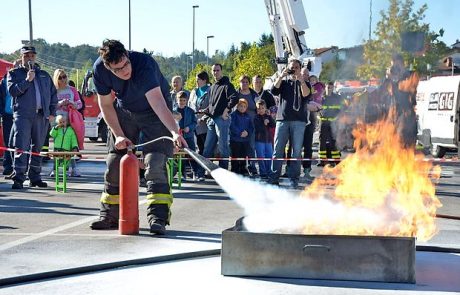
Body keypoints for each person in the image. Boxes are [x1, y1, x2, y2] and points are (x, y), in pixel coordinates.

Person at [89, 39, 186, 235]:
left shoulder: (144, 64)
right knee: (115, 161)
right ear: (108, 68)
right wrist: (118, 135)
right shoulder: (99, 70)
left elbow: (158, 103)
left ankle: (157, 218)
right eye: (118, 69)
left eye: (126, 64)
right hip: (124, 111)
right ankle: (109, 215)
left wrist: (175, 131)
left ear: (127, 54)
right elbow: (106, 105)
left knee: (155, 162)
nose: (125, 70)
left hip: (154, 113)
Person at [7, 45, 57, 189]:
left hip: (41, 116)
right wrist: (27, 80)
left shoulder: (44, 75)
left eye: (32, 56)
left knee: (38, 148)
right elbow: (13, 92)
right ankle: (18, 178)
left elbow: (53, 94)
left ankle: (35, 177)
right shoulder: (14, 73)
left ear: (35, 57)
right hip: (23, 115)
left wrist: (52, 112)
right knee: (21, 147)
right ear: (21, 57)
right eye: (26, 56)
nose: (30, 58)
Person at [267, 59, 311, 189]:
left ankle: (294, 179)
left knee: (296, 151)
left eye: (296, 67)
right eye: (292, 67)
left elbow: (306, 95)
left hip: (299, 121)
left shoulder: (305, 82)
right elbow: (273, 90)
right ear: (288, 68)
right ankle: (274, 178)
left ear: (300, 69)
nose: (294, 70)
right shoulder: (284, 82)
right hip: (282, 120)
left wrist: (300, 79)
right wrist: (281, 76)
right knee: (278, 150)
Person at [202, 63, 238, 170]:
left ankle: (224, 171)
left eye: (217, 70)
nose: (215, 72)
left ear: (221, 71)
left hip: (222, 120)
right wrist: (204, 112)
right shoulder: (212, 87)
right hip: (211, 120)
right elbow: (212, 105)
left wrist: (227, 110)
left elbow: (235, 98)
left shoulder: (227, 85)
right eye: (213, 70)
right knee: (207, 148)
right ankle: (205, 171)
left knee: (223, 147)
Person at [52, 69, 83, 176]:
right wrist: (59, 103)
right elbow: (50, 105)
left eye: (64, 76)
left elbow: (80, 104)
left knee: (72, 145)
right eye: (60, 77)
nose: (63, 79)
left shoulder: (72, 90)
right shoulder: (53, 90)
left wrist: (73, 104)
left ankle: (73, 168)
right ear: (56, 79)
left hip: (71, 121)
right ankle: (55, 169)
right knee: (58, 146)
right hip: (58, 122)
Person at [0, 59, 20, 177]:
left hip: (20, 114)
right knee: (8, 141)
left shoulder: (23, 79)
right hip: (7, 114)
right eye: (14, 66)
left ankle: (16, 167)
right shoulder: (3, 81)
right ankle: (8, 167)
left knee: (17, 142)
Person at [187, 71, 210, 166]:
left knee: (206, 148)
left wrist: (203, 118)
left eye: (198, 80)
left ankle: (207, 168)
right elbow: (190, 106)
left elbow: (212, 107)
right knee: (198, 147)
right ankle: (199, 169)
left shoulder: (210, 90)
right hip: (195, 124)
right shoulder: (194, 91)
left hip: (206, 123)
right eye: (196, 80)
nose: (196, 81)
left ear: (204, 80)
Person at [173, 90, 197, 181]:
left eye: (184, 100)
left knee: (192, 154)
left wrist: (189, 128)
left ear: (186, 101)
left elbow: (195, 123)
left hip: (189, 136)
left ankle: (195, 172)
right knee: (180, 156)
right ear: (177, 100)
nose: (182, 102)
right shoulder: (173, 111)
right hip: (178, 136)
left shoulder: (191, 111)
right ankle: (183, 174)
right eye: (180, 100)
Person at [318, 82, 343, 166]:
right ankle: (322, 161)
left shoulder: (337, 98)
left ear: (333, 88)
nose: (329, 89)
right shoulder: (321, 98)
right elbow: (317, 110)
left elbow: (340, 110)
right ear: (325, 87)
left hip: (333, 123)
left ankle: (336, 160)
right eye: (328, 87)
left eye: (331, 88)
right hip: (323, 123)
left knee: (333, 141)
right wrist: (319, 117)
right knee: (322, 142)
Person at [230, 99, 253, 175]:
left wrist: (247, 132)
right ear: (237, 106)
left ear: (246, 108)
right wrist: (240, 133)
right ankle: (234, 170)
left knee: (244, 155)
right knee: (235, 155)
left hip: (245, 140)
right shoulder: (233, 115)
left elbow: (251, 127)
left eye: (244, 106)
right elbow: (232, 126)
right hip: (235, 140)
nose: (242, 108)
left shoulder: (248, 116)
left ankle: (243, 169)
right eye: (240, 106)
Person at [254, 100, 275, 179]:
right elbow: (257, 128)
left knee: (269, 156)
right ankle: (263, 172)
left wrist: (269, 117)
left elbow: (273, 125)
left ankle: (269, 171)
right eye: (259, 108)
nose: (261, 110)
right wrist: (264, 123)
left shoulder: (267, 116)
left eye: (262, 108)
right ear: (257, 109)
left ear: (265, 108)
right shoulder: (255, 118)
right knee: (261, 156)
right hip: (259, 140)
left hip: (268, 140)